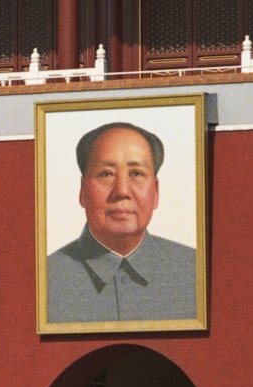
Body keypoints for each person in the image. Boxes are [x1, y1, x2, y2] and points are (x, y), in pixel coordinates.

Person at [46, 121, 197, 323]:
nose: (122, 191)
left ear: (156, 192)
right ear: (82, 191)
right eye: (106, 174)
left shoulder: (194, 271)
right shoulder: (46, 278)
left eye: (136, 174)